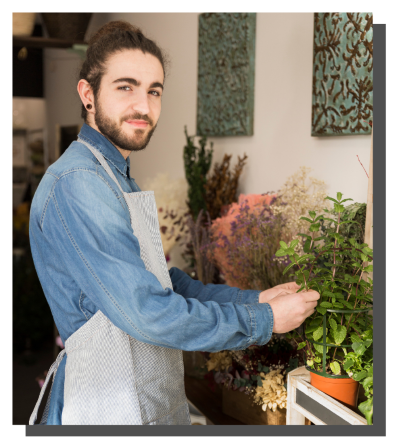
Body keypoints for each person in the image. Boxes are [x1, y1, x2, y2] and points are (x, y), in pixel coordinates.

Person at [28, 21, 319, 425]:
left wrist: (254, 300)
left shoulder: (113, 174)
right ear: (88, 94)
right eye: (125, 87)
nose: (144, 107)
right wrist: (265, 320)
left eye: (154, 91)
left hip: (140, 395)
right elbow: (149, 311)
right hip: (105, 405)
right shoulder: (80, 183)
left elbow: (165, 282)